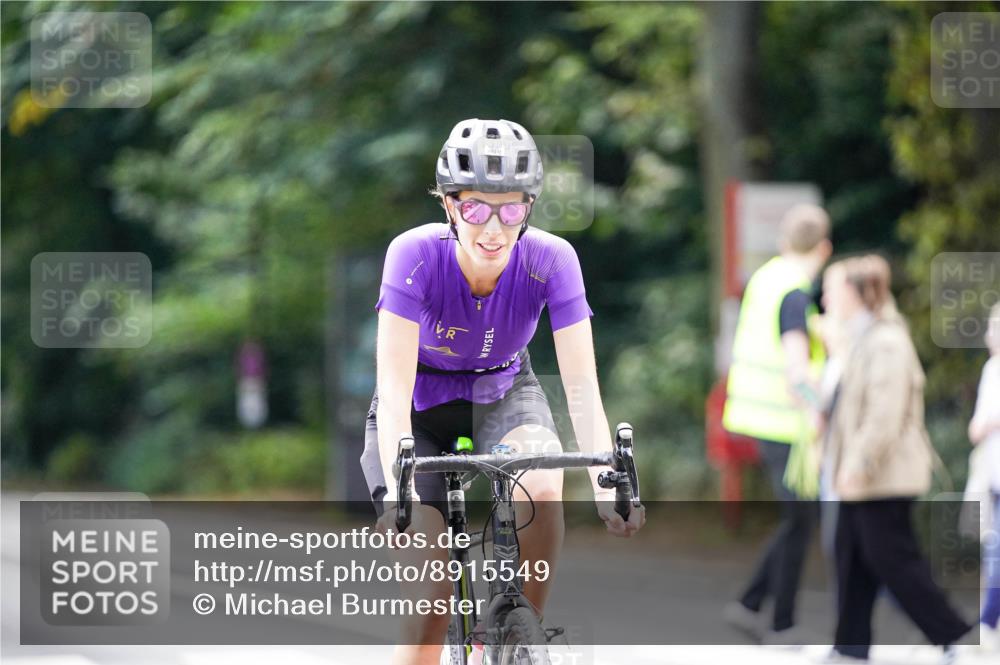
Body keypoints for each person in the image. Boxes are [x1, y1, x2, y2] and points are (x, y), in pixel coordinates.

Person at [359, 118, 645, 665]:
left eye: (510, 209)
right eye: (475, 209)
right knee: (429, 612)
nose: (493, 228)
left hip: (505, 393)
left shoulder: (552, 259)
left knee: (542, 479)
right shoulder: (413, 255)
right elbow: (392, 386)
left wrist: (608, 485)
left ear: (528, 209)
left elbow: (581, 385)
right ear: (449, 206)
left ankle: (520, 636)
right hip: (417, 413)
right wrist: (400, 497)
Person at [823, 255, 972, 664]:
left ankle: (954, 635)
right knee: (851, 557)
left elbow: (883, 415)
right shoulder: (861, 338)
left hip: (882, 476)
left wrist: (858, 463)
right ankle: (849, 647)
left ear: (857, 292)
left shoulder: (886, 341)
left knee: (894, 561)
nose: (825, 297)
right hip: (864, 477)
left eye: (832, 289)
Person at [722, 203, 832, 643]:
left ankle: (752, 604)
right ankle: (780, 622)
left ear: (785, 241)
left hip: (756, 414)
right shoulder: (796, 291)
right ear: (824, 247)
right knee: (799, 521)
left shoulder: (767, 277)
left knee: (797, 520)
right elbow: (796, 368)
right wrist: (817, 409)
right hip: (787, 423)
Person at [967, 301, 1000, 652]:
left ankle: (987, 622)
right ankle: (987, 623)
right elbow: (976, 426)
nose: (990, 335)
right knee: (994, 551)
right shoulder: (992, 369)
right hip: (994, 476)